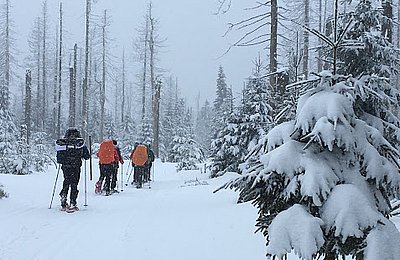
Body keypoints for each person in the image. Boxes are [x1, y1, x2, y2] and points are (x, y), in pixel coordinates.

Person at [56, 128, 90, 211]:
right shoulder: (79, 143)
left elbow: (59, 158)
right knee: (74, 184)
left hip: (65, 166)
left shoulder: (63, 143)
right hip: (76, 166)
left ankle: (63, 198)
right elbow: (87, 156)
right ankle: (73, 202)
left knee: (66, 181)